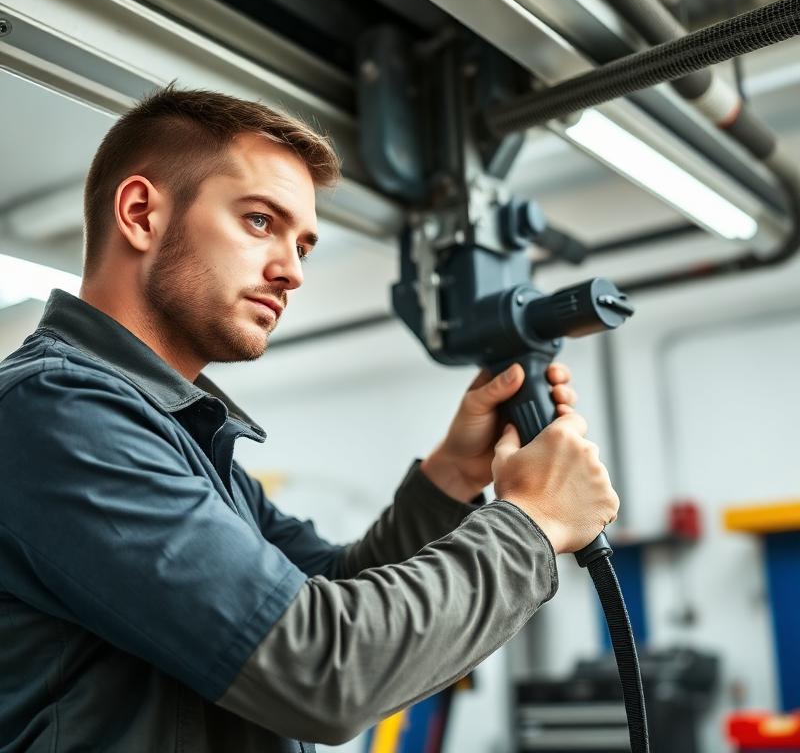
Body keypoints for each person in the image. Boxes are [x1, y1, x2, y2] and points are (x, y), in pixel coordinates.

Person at [0, 86, 618, 752]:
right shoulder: (58, 414)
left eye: (305, 245)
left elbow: (325, 593)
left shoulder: (181, 435)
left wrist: (451, 479)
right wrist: (534, 523)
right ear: (143, 214)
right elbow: (326, 669)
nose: (291, 272)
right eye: (261, 222)